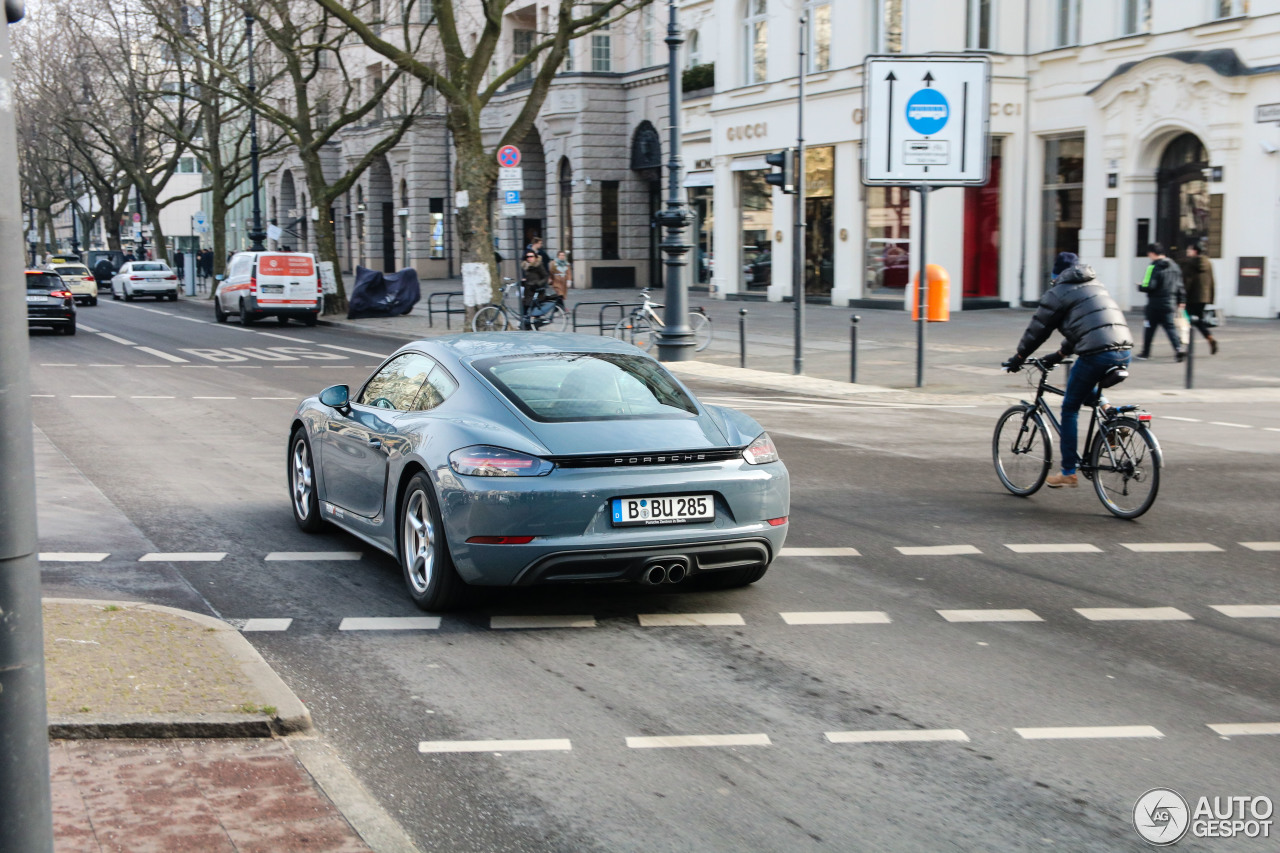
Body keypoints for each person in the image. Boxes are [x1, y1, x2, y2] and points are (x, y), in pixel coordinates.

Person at [1005, 262, 1134, 489]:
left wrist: (1019, 357)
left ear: (1056, 275)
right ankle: (1111, 416)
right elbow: (1087, 326)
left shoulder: (1058, 292)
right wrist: (1058, 355)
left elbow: (1038, 329)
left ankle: (1068, 471)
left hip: (1096, 353)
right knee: (1083, 387)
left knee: (1069, 408)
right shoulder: (1095, 285)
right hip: (1124, 350)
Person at [1137, 242, 1186, 362]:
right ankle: (1178, 349)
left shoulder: (1153, 267)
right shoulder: (1175, 266)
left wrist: (1140, 287)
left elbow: (1149, 286)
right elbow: (1180, 285)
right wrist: (1181, 300)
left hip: (1154, 304)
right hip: (1170, 303)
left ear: (1152, 253)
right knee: (1170, 327)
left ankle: (1145, 352)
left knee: (1149, 328)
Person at [1179, 243, 1218, 355]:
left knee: (1186, 322)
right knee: (1198, 320)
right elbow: (1211, 280)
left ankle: (1185, 346)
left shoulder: (1189, 263)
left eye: (1189, 249)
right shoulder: (1209, 263)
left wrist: (1182, 297)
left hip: (1191, 297)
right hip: (1203, 297)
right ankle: (1209, 337)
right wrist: (1210, 296)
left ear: (1195, 251)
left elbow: (1187, 282)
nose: (1187, 251)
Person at [520, 250, 549, 327]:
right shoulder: (526, 266)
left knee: (534, 311)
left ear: (535, 257)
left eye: (531, 256)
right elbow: (528, 278)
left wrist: (538, 284)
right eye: (527, 257)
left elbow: (545, 276)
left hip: (536, 291)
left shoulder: (538, 265)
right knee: (524, 309)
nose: (529, 258)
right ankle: (525, 325)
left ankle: (534, 326)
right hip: (528, 291)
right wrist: (523, 282)